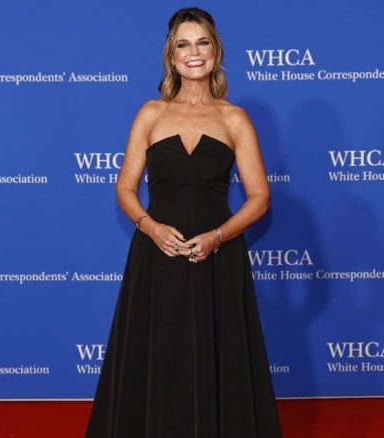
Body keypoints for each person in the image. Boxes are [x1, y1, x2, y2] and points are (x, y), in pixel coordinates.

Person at [85, 8, 282, 437]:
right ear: (171, 56)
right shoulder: (151, 113)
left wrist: (216, 237)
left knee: (216, 354)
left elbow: (260, 196)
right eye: (183, 44)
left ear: (216, 51)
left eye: (203, 43)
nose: (194, 53)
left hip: (218, 257)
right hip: (156, 256)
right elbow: (124, 188)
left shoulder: (235, 119)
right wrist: (150, 227)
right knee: (159, 352)